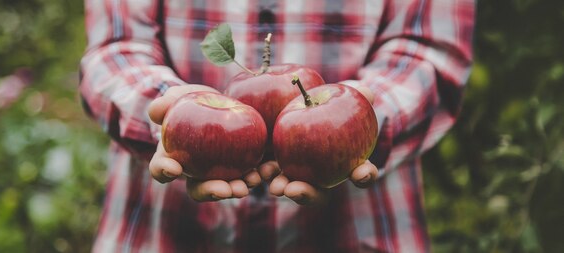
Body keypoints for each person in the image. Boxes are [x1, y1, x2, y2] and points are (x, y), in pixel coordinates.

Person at [79, 0, 474, 252]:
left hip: (357, 229)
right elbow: (116, 48)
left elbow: (428, 52)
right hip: (163, 230)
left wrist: (356, 121)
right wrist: (171, 117)